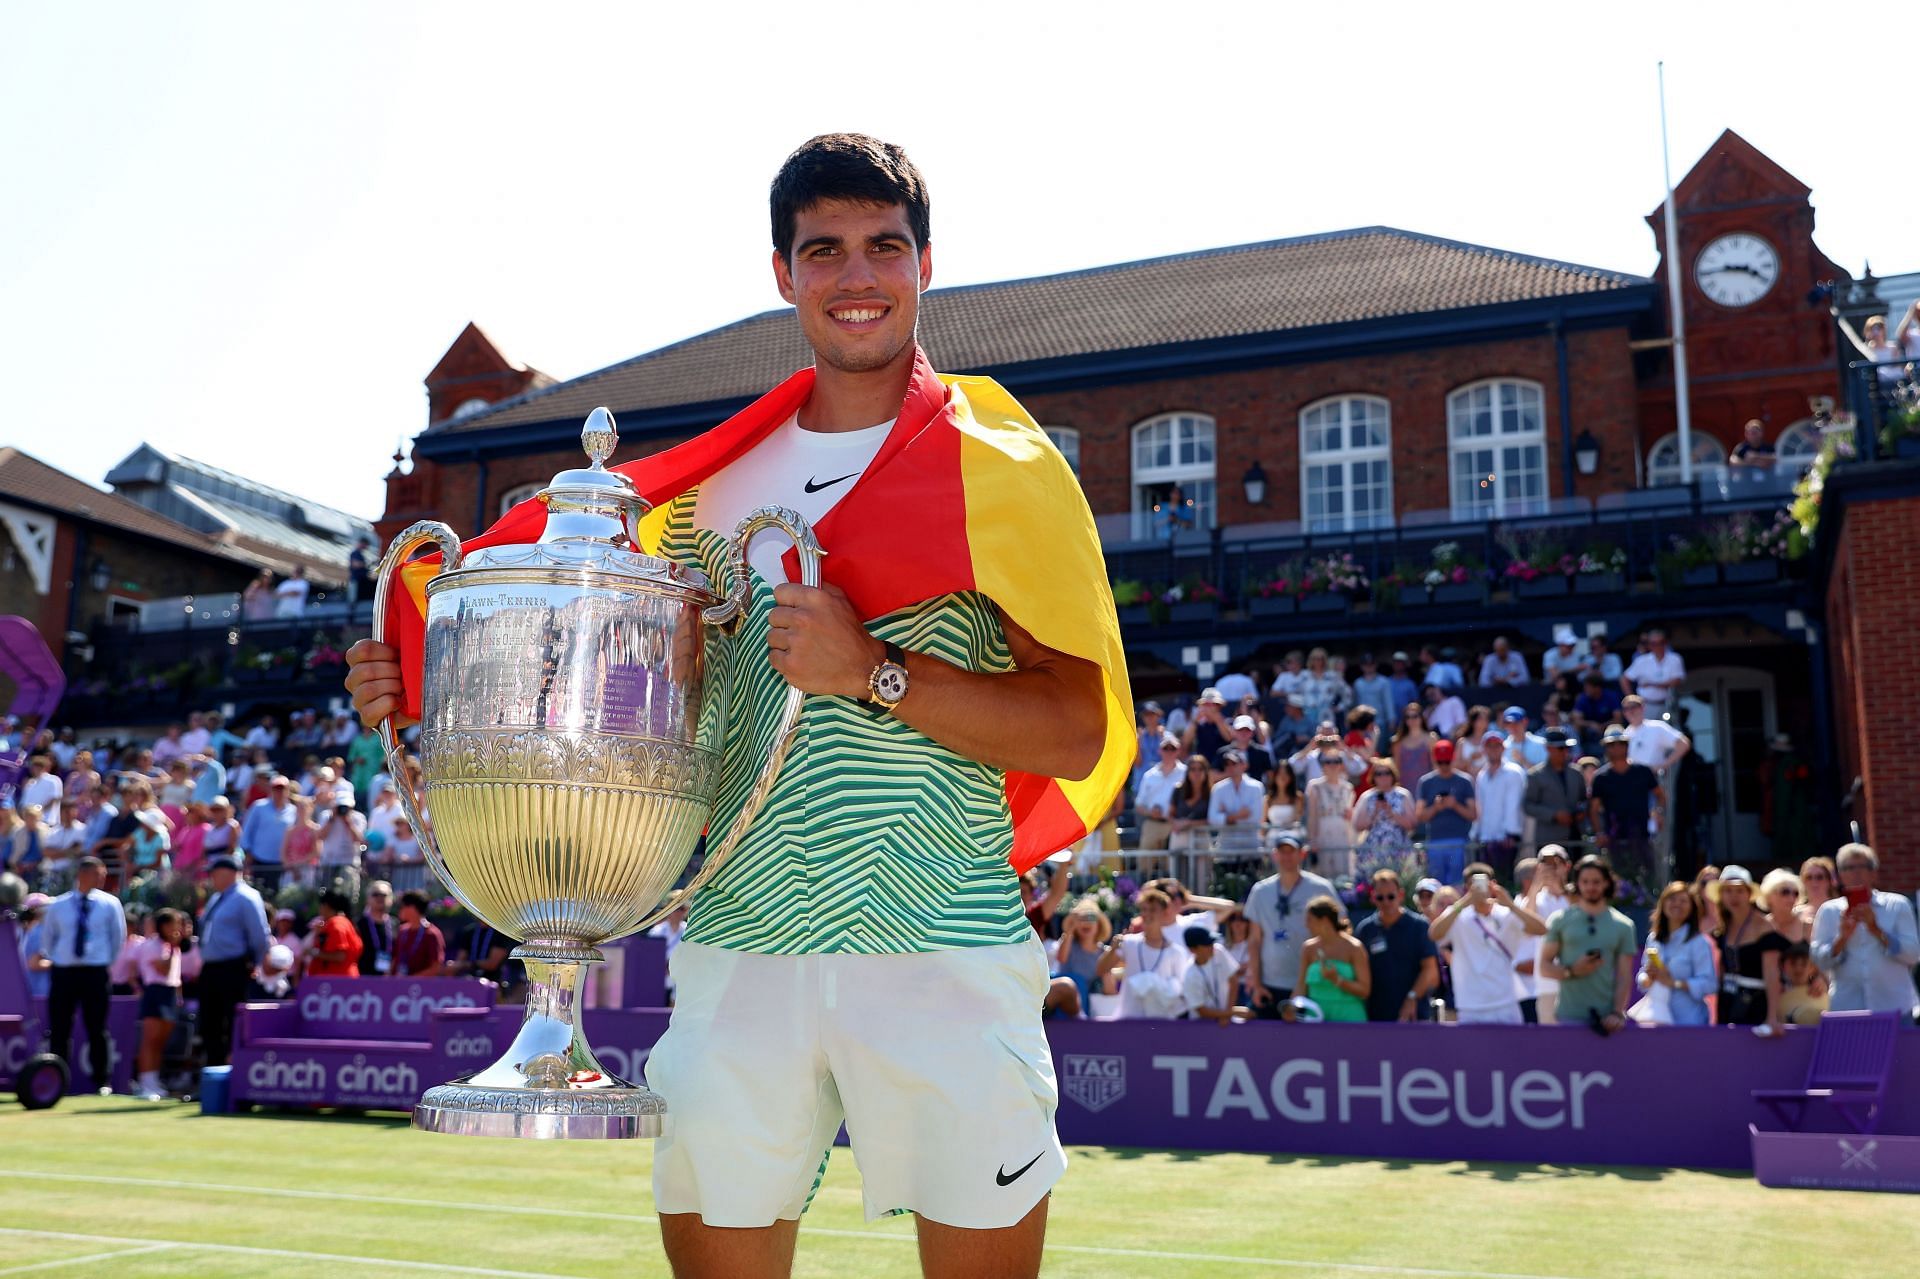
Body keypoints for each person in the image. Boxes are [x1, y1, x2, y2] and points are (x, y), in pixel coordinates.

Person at [353, 137, 1133, 1274]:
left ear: (926, 265)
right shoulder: (708, 493)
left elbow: (1076, 729)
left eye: (883, 246)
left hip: (944, 950)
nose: (855, 275)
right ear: (784, 272)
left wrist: (876, 670)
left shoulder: (998, 464)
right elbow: (621, 703)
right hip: (736, 951)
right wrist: (432, 672)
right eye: (825, 250)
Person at [35, 857, 127, 1093]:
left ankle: (101, 1081)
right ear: (83, 874)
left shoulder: (110, 904)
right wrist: (61, 958)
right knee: (60, 1027)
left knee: (97, 1027)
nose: (103, 877)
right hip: (64, 972)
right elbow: (49, 939)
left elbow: (118, 938)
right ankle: (56, 1079)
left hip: (95, 972)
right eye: (99, 873)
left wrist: (104, 962)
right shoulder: (59, 905)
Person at [1426, 863, 1546, 1024]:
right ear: (1466, 887)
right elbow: (1434, 934)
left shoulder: (1506, 913)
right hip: (1470, 1006)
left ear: (1493, 884)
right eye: (1472, 885)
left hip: (1506, 1003)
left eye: (1483, 883)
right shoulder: (1457, 915)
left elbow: (1541, 929)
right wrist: (1465, 901)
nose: (1479, 889)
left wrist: (1510, 904)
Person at [1810, 843, 1919, 1018]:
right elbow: (1819, 960)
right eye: (1848, 868)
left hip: (1895, 1007)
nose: (1856, 873)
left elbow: (1913, 955)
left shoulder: (1897, 906)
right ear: (1840, 875)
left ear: (1874, 873)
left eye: (1862, 867)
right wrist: (1842, 938)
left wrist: (1876, 930)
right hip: (1847, 1009)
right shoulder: (1829, 911)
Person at [1538, 855, 1637, 1033]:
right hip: (1568, 1016)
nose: (1591, 887)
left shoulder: (1624, 925)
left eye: (1596, 881)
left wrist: (1616, 1012)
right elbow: (1544, 967)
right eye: (1585, 881)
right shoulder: (1559, 920)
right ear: (1577, 883)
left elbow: (1624, 976)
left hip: (1607, 1021)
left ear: (1607, 883)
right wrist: (1572, 971)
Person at [1242, 832, 1335, 1013]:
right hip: (1270, 984)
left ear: (1302, 854)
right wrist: (1256, 982)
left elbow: (1338, 932)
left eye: (1291, 851)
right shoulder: (1260, 891)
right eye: (1282, 851)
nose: (1287, 857)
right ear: (1274, 854)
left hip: (1310, 983)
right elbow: (1254, 940)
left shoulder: (1321, 888)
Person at [196, 855, 271, 1066]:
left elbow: (259, 935)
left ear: (228, 873)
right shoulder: (216, 898)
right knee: (210, 1023)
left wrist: (255, 962)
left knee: (231, 1023)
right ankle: (212, 1075)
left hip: (233, 967)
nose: (211, 878)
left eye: (215, 873)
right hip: (211, 968)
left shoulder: (246, 897)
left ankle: (232, 1075)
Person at [1355, 870, 1438, 1022]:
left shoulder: (1419, 926)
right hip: (1377, 1016)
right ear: (1373, 897)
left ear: (1400, 895)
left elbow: (1430, 970)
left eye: (1391, 896)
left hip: (1414, 1015)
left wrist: (1412, 997)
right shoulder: (1365, 929)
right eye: (1380, 897)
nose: (1386, 902)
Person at [1097, 887, 1189, 1020]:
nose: (1147, 914)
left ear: (1164, 913)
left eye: (1153, 910)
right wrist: (1113, 948)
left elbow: (1181, 992)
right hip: (1128, 1019)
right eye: (1144, 910)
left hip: (1161, 1024)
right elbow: (1101, 970)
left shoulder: (1176, 952)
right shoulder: (1129, 943)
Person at [1711, 865, 1785, 1031]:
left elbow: (1772, 974)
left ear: (1749, 894)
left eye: (1739, 891)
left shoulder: (1764, 927)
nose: (1733, 897)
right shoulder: (1722, 927)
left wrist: (1772, 1017)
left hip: (1755, 1007)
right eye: (1727, 891)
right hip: (1727, 1004)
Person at [1588, 726, 1662, 883]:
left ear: (1627, 746)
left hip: (1643, 837)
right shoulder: (1600, 777)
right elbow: (1593, 810)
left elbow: (1660, 796)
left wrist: (1658, 813)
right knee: (1618, 880)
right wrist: (1599, 833)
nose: (1616, 748)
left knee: (1649, 879)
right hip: (1614, 840)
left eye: (1621, 743)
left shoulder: (1643, 771)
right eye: (1611, 745)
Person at [1635, 883, 1716, 1026]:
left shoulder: (1699, 942)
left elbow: (1709, 984)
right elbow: (1642, 975)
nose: (1677, 904)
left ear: (1692, 908)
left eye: (1683, 901)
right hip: (1657, 1021)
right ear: (1663, 903)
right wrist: (1648, 978)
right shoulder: (1653, 939)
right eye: (1672, 899)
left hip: (1689, 1023)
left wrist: (1674, 983)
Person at [131, 907, 186, 1100]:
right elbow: (163, 970)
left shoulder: (173, 947)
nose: (177, 928)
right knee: (150, 1040)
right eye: (173, 923)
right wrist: (173, 947)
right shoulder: (151, 946)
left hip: (169, 994)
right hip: (154, 993)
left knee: (161, 1041)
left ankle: (153, 1081)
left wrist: (178, 998)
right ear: (163, 925)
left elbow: (175, 976)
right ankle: (145, 1083)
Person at [1514, 848, 1572, 1023]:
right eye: (1545, 864)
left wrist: (1558, 889)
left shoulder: (1575, 896)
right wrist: (1536, 886)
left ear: (1566, 866)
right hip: (1546, 984)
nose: (1551, 869)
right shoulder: (1534, 899)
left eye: (1556, 864)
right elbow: (1525, 926)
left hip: (1575, 981)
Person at [1414, 739, 1476, 886]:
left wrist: (1454, 805)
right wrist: (1435, 808)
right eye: (1440, 762)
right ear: (1434, 759)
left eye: (1447, 761)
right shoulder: (1426, 782)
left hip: (1459, 842)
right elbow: (1420, 815)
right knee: (1436, 886)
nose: (1444, 766)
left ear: (1453, 758)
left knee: (1457, 885)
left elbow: (1473, 814)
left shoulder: (1465, 781)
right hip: (1435, 842)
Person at [1297, 896, 1369, 1022]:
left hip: (1349, 1018)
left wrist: (1337, 979)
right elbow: (1301, 986)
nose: (1306, 925)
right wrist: (1292, 1007)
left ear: (1324, 920)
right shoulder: (1308, 948)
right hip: (1316, 1018)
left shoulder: (1354, 948)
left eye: (1310, 920)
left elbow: (1365, 991)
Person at [1522, 728, 1587, 853]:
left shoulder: (1576, 773)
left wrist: (1581, 812)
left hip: (1574, 837)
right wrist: (1553, 815)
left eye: (1567, 748)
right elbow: (1528, 805)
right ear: (1548, 748)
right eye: (1560, 748)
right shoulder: (1535, 775)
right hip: (1548, 839)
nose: (1565, 752)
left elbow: (1584, 800)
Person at [1302, 737, 1356, 875]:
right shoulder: (1314, 786)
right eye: (1328, 762)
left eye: (1336, 761)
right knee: (1323, 873)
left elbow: (1350, 816)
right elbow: (1312, 815)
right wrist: (1312, 840)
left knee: (1343, 874)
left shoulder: (1348, 788)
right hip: (1323, 832)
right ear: (1322, 765)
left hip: (1342, 833)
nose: (1332, 765)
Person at [1349, 759, 1416, 861]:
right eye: (1378, 774)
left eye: (1387, 773)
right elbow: (1357, 825)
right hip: (1373, 851)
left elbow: (1412, 825)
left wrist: (1392, 813)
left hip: (1399, 849)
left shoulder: (1403, 795)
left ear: (1393, 774)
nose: (1383, 777)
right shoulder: (1367, 797)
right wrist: (1374, 813)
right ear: (1373, 776)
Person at [1051, 899, 1110, 1013]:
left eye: (1092, 918)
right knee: (1077, 982)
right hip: (1067, 1005)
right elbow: (1061, 958)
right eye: (1081, 918)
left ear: (1099, 924)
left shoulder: (1104, 952)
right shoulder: (1068, 944)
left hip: (1092, 1006)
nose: (1086, 922)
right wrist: (1070, 929)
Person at [1180, 926, 1247, 1025]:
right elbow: (1201, 1011)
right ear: (1193, 950)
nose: (1212, 946)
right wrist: (1229, 1014)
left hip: (1224, 1019)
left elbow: (1233, 981)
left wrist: (1227, 1013)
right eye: (1206, 944)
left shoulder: (1218, 951)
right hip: (1200, 1026)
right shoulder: (1189, 975)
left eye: (1211, 942)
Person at [1207, 749, 1263, 858]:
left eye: (1234, 763)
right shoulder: (1218, 788)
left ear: (1244, 765)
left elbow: (1255, 817)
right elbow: (1213, 819)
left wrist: (1226, 816)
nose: (1230, 767)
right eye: (1227, 764)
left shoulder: (1256, 787)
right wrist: (1239, 815)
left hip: (1251, 848)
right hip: (1226, 848)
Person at [1621, 632, 1685, 716]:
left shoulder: (1675, 658)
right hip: (1646, 705)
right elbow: (1624, 679)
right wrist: (1632, 700)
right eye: (1654, 643)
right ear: (1649, 645)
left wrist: (1652, 684)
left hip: (1668, 704)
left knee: (1671, 727)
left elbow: (1677, 681)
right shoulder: (1641, 661)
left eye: (1661, 643)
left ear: (1666, 643)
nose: (1658, 646)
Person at [305, 889, 364, 978]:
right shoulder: (333, 922)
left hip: (338, 981)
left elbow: (340, 956)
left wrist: (314, 952)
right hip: (334, 979)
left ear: (326, 906)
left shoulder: (337, 924)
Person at [392, 889, 446, 977]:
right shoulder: (402, 931)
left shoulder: (432, 934)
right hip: (398, 985)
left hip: (421, 988)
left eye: (401, 906)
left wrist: (410, 981)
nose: (399, 910)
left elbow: (436, 968)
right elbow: (395, 959)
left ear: (412, 908)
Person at [1777, 943, 1830, 1026]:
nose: (1798, 968)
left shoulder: (1822, 992)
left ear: (1813, 968)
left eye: (1804, 963)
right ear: (1783, 966)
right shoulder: (1775, 994)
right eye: (1793, 963)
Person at [356, 880, 397, 976]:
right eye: (375, 895)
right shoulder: (359, 924)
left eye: (384, 895)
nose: (380, 898)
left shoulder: (395, 923)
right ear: (368, 899)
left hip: (389, 978)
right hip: (364, 976)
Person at [1759, 868, 1809, 944]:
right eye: (1785, 892)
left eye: (1795, 893)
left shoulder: (1807, 926)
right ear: (1768, 896)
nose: (1791, 898)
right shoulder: (1759, 926)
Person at [1391, 703, 1433, 790]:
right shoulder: (1398, 741)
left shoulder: (1431, 739)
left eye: (1415, 716)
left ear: (1421, 717)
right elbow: (1396, 768)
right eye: (1408, 717)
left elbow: (1435, 765)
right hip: (1405, 787)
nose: (1411, 720)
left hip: (1426, 786)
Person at [1351, 655, 1395, 732]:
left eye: (1371, 664)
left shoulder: (1384, 682)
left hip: (1379, 723)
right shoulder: (1358, 683)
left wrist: (1391, 720)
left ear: (1375, 665)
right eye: (1366, 664)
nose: (1369, 667)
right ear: (1361, 666)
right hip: (1362, 724)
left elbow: (1388, 702)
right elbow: (1355, 704)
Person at [1795, 855, 1838, 932]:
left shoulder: (1839, 909)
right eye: (1809, 877)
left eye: (1819, 877)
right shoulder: (1796, 913)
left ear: (1829, 881)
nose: (1814, 882)